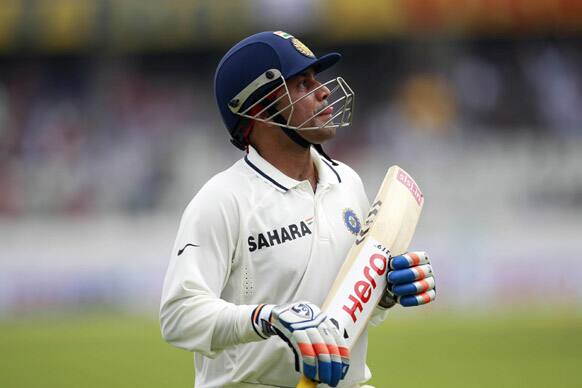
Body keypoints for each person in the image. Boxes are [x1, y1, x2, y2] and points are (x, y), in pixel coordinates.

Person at [160, 31, 436, 388]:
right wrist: (266, 319)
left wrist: (384, 294)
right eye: (302, 84)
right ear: (256, 107)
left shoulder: (347, 182)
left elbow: (343, 315)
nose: (323, 91)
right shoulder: (223, 199)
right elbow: (179, 316)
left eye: (316, 79)